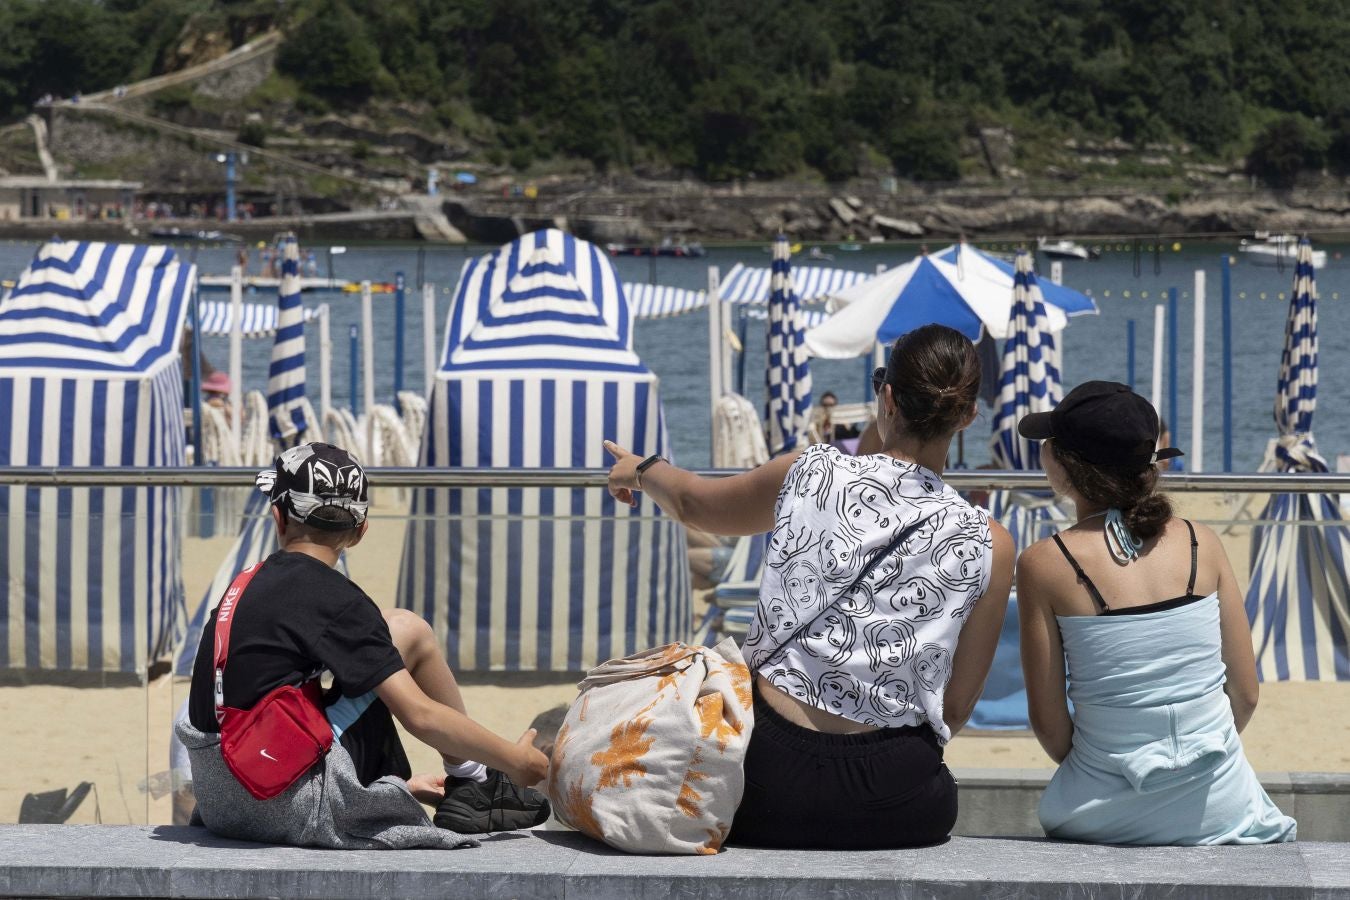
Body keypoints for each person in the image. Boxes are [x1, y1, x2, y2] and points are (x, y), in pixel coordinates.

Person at [605, 324, 1014, 850]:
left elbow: (693, 503)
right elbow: (954, 710)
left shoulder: (810, 472)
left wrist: (640, 470)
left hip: (765, 776)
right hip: (896, 797)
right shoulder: (990, 542)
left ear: (886, 397)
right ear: (968, 416)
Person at [177, 443, 550, 849]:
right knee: (408, 630)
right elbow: (420, 715)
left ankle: (473, 781)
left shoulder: (246, 584)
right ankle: (477, 782)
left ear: (278, 517)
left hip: (220, 796)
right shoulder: (335, 599)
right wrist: (516, 762)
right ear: (359, 532)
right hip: (281, 803)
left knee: (385, 639)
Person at [1015, 382, 1296, 845]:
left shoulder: (1045, 563)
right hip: (1221, 804)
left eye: (1049, 445)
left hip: (1098, 808)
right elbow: (1244, 695)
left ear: (1066, 466)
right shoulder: (1201, 542)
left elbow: (1049, 725)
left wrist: (1107, 773)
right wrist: (1188, 775)